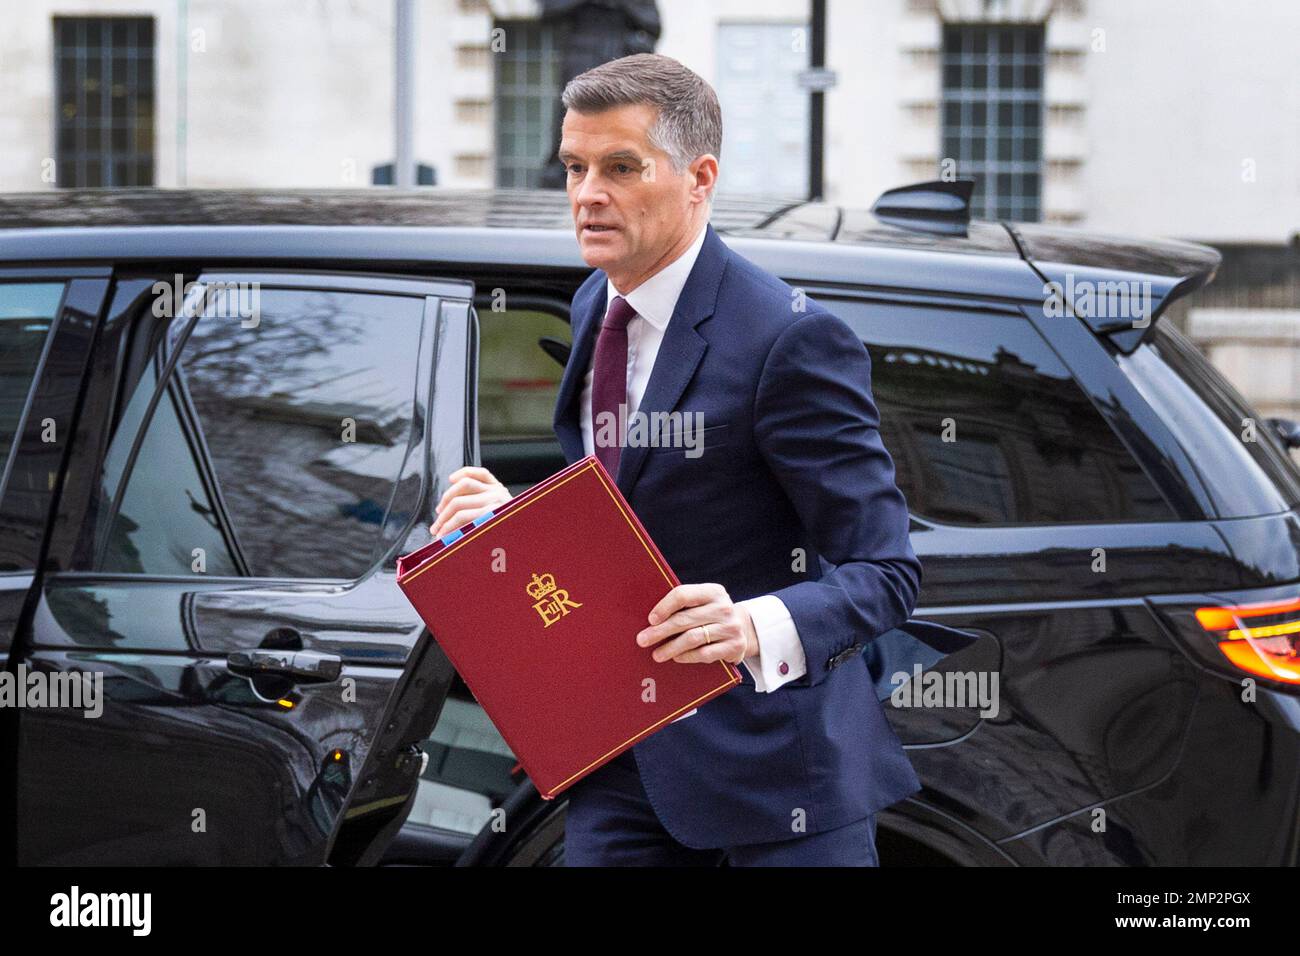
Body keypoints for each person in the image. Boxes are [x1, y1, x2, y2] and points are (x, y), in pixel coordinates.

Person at [430, 53, 923, 866]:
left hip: (776, 785)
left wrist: (749, 626)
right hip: (617, 762)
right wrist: (509, 521)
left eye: (621, 167)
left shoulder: (789, 340)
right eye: (576, 167)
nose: (588, 193)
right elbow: (630, 509)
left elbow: (886, 569)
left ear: (698, 178)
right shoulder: (596, 301)